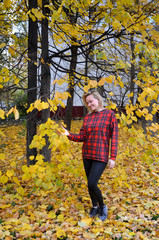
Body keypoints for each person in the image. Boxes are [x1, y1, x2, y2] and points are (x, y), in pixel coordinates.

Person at [62, 90, 118, 221]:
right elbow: (82, 136)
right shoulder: (88, 117)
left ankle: (102, 206)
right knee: (89, 184)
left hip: (101, 155)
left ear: (98, 99)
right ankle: (94, 206)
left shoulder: (109, 114)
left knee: (93, 183)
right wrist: (68, 134)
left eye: (91, 101)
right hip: (87, 154)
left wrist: (113, 157)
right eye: (87, 103)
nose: (89, 104)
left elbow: (114, 137)